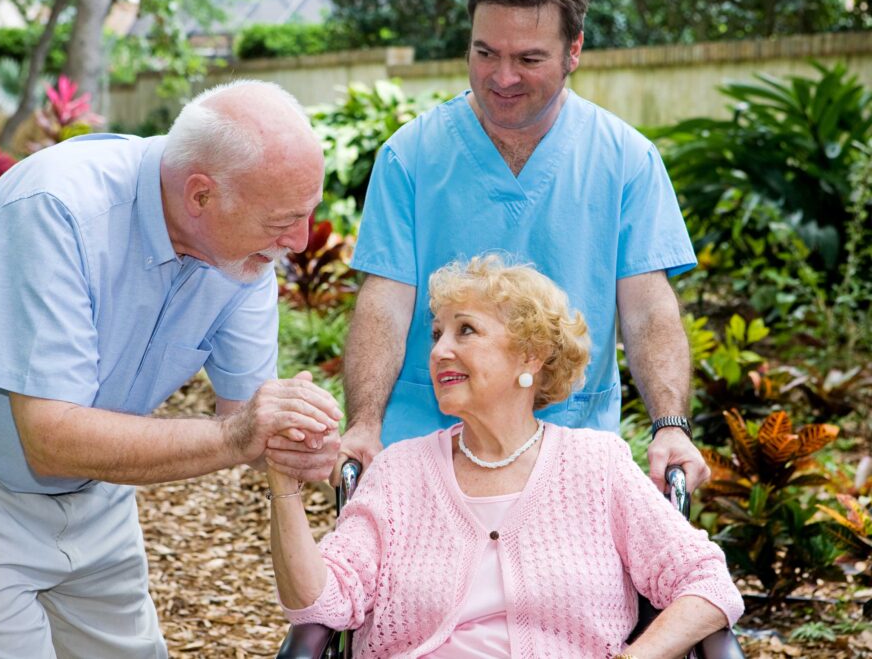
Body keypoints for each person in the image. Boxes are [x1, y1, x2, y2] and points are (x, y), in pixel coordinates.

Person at [0, 80, 343, 658]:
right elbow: (51, 438)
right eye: (281, 220)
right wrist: (241, 436)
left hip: (93, 484)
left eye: (308, 214)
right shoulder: (58, 206)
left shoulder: (244, 255)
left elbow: (248, 417)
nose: (298, 240)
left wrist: (301, 443)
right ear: (201, 196)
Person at [338, 0, 710, 492]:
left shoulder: (627, 161)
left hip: (570, 456)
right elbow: (384, 301)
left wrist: (671, 426)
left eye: (529, 60)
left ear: (573, 50)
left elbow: (648, 308)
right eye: (485, 53)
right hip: (424, 454)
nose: (502, 77)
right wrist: (363, 425)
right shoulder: (410, 157)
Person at [269, 255, 743, 657]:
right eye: (437, 335)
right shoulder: (399, 473)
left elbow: (707, 583)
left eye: (465, 331)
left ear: (531, 357)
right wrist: (283, 485)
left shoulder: (597, 467)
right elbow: (320, 604)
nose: (439, 351)